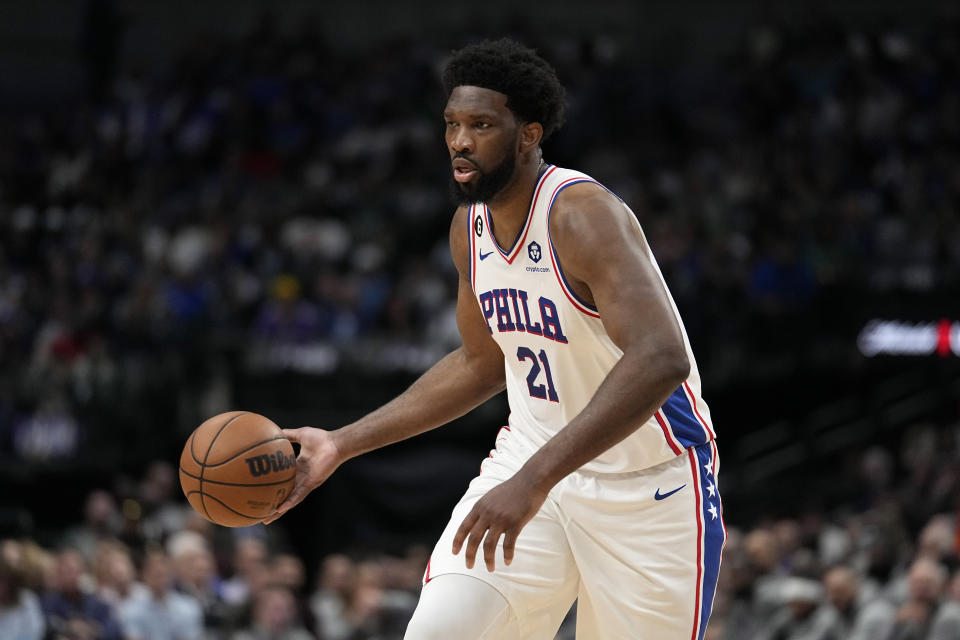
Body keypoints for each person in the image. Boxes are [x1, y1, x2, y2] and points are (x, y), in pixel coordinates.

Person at [265, 38, 724, 639]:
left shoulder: (580, 214)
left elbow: (662, 356)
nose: (459, 141)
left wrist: (534, 479)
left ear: (529, 134)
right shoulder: (469, 227)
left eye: (481, 124)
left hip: (649, 488)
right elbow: (481, 364)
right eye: (452, 124)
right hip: (532, 461)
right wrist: (340, 443)